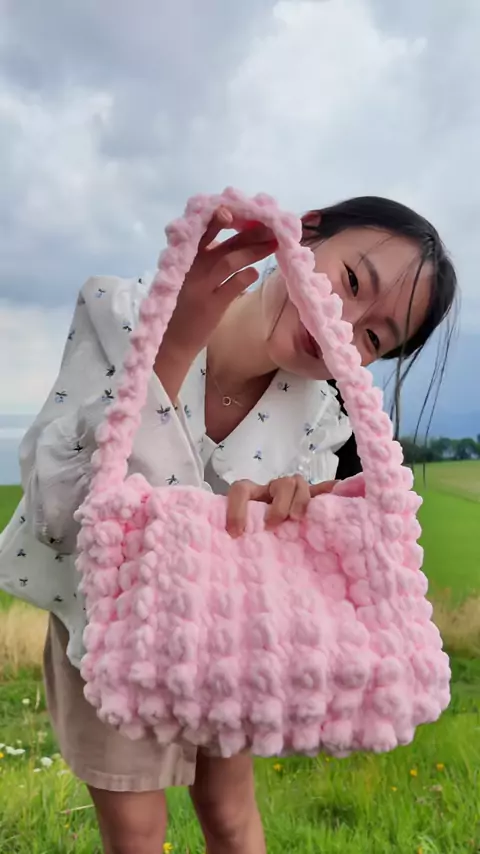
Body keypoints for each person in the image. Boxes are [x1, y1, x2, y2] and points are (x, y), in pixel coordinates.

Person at [0, 195, 457, 854]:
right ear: (305, 232)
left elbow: (289, 551)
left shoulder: (322, 417)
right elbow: (55, 512)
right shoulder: (120, 313)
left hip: (233, 633)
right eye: (354, 282)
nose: (345, 322)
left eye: (374, 339)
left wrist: (290, 510)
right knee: (136, 829)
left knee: (231, 810)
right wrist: (173, 348)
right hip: (110, 623)